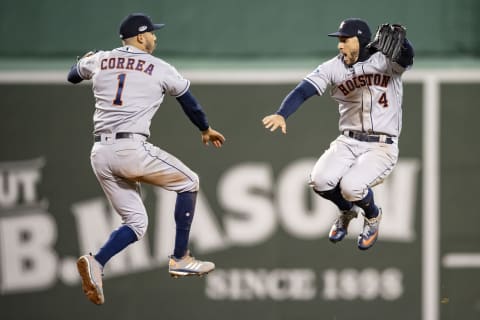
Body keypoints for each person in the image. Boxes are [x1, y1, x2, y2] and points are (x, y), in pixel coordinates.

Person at [67, 13, 226, 305]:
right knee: (190, 182)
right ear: (140, 37)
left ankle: (97, 262)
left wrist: (85, 60)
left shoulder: (101, 59)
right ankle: (180, 258)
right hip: (130, 147)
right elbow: (189, 102)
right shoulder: (158, 67)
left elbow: (72, 75)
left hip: (100, 154)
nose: (155, 37)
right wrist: (205, 129)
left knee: (136, 223)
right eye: (152, 33)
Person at [262, 18, 414, 251]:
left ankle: (372, 216)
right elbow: (303, 91)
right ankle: (346, 211)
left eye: (345, 40)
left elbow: (407, 57)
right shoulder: (332, 67)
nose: (340, 45)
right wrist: (282, 114)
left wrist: (404, 45)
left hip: (381, 146)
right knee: (319, 181)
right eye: (339, 40)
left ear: (361, 40)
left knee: (351, 187)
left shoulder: (386, 62)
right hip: (348, 140)